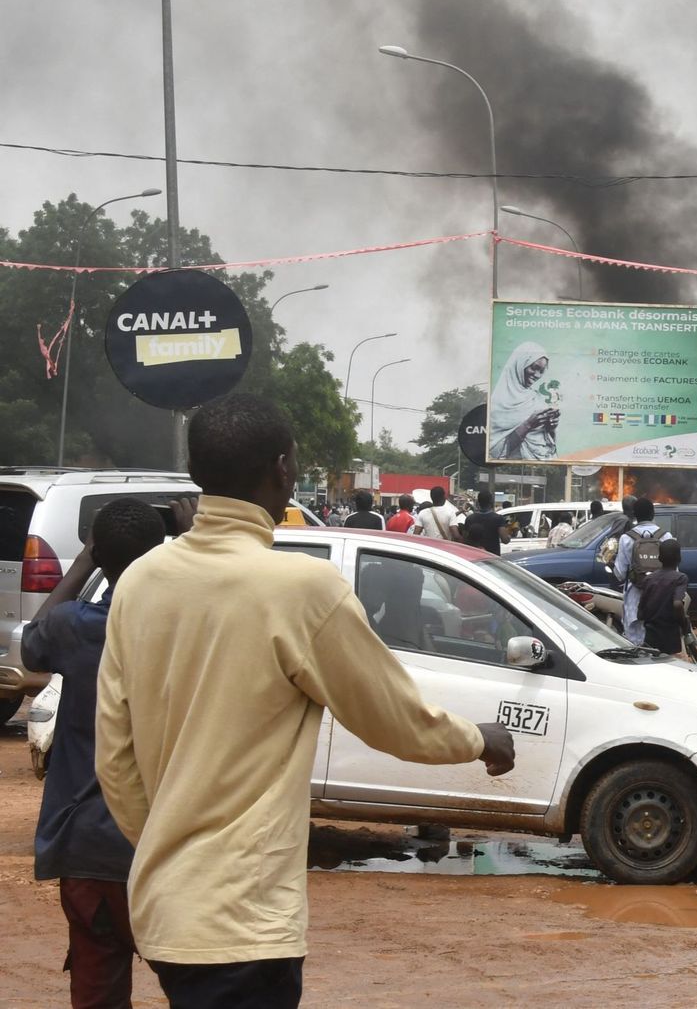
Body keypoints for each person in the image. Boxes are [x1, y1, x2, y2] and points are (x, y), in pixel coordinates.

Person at [95, 393, 514, 1008]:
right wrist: (480, 739)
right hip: (244, 926)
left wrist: (168, 844)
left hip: (165, 911)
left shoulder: (140, 581)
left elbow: (114, 756)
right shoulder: (300, 588)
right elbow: (393, 719)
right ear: (284, 470)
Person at [24, 499, 168, 1008]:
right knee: (204, 988)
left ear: (100, 553)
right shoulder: (181, 626)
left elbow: (31, 646)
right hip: (166, 845)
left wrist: (87, 556)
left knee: (97, 986)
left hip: (84, 841)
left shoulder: (75, 626)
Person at [613, 499, 672, 645]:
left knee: (635, 647)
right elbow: (673, 572)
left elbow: (620, 573)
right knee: (658, 648)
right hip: (660, 600)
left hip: (635, 601)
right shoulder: (666, 537)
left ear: (634, 515)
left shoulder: (626, 538)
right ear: (653, 514)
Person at [487, 342, 560, 460]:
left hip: (545, 467)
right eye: (534, 368)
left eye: (541, 371)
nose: (537, 375)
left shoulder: (537, 399)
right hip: (514, 470)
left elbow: (549, 445)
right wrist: (528, 424)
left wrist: (551, 428)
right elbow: (494, 452)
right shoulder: (497, 404)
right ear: (520, 363)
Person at [637, 539, 692, 656]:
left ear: (659, 558)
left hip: (650, 635)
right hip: (670, 635)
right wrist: (683, 624)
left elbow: (640, 612)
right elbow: (677, 604)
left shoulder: (649, 579)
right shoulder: (680, 578)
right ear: (679, 558)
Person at [461, 491, 508, 556]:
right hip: (492, 557)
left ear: (478, 502)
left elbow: (465, 540)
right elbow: (505, 540)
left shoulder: (470, 519)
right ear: (491, 502)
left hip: (473, 557)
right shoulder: (498, 518)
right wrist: (509, 534)